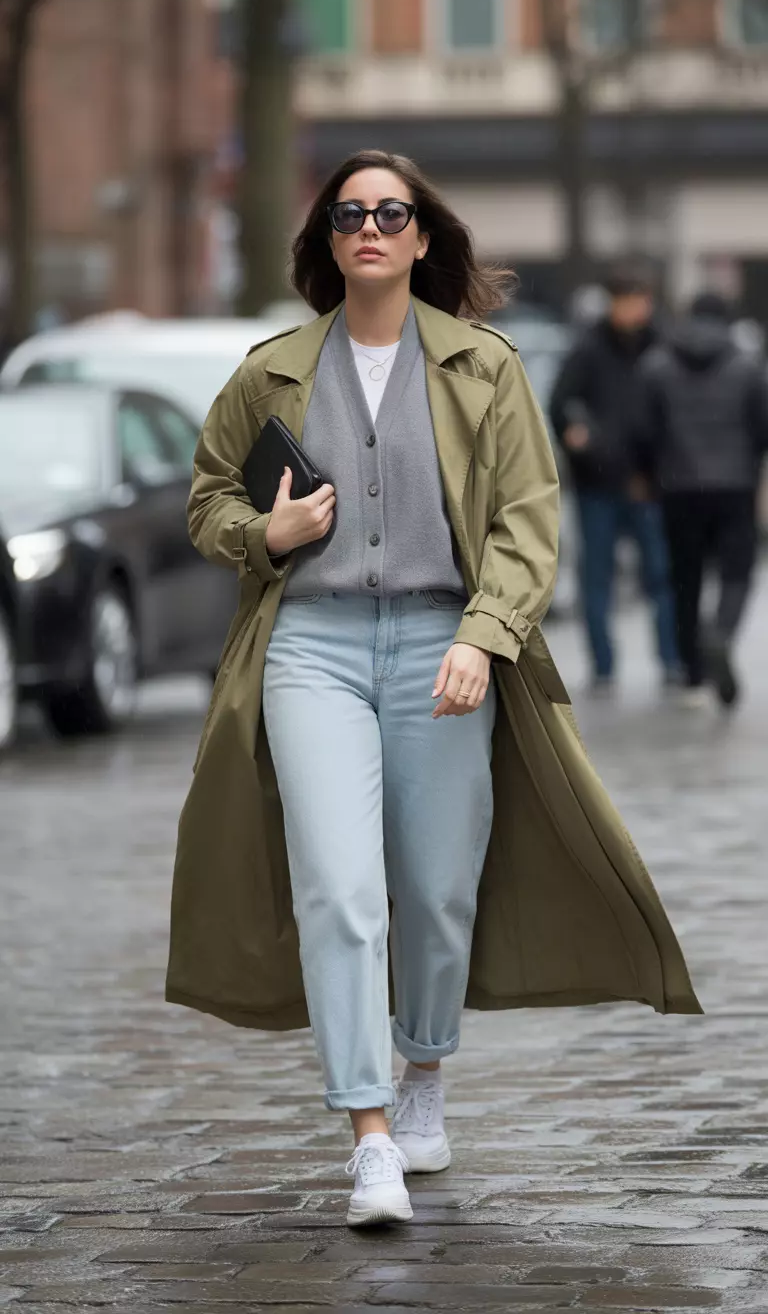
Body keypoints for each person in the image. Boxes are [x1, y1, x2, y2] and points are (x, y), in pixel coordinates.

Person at [166, 151, 700, 1230]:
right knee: (338, 886)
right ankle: (368, 1136)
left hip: (440, 644)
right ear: (329, 239)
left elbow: (526, 519)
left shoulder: (484, 368)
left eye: (390, 212)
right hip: (308, 646)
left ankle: (422, 1073)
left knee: (436, 889)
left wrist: (484, 632)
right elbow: (208, 498)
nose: (369, 226)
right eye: (349, 212)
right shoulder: (271, 369)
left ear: (420, 238)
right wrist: (263, 532)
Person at [636, 292, 768, 707]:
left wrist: (648, 474)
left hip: (678, 487)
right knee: (736, 573)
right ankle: (721, 632)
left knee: (684, 579)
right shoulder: (747, 367)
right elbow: (763, 428)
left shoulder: (656, 365)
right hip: (734, 485)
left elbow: (642, 430)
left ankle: (693, 671)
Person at [550, 268, 679, 691]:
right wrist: (578, 441)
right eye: (624, 300)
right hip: (597, 484)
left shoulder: (662, 348)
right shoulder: (587, 349)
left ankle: (671, 659)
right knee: (597, 577)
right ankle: (603, 664)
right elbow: (560, 403)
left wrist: (660, 470)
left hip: (649, 483)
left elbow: (674, 414)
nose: (632, 310)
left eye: (639, 300)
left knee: (661, 574)